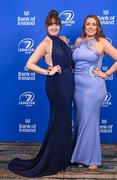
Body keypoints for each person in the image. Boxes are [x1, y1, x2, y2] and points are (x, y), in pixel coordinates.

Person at [8, 10, 74, 177]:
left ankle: (63, 158)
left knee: (65, 120)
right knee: (57, 120)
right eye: (50, 24)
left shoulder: (63, 40)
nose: (54, 27)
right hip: (57, 85)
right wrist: (47, 72)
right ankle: (52, 160)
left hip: (68, 83)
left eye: (56, 24)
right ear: (46, 26)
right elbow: (29, 64)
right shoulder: (45, 42)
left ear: (60, 25)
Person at [71, 15, 117, 170]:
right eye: (88, 24)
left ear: (98, 27)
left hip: (93, 87)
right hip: (77, 87)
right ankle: (80, 157)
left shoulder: (102, 42)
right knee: (81, 120)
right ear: (84, 26)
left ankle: (92, 159)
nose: (90, 27)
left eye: (93, 24)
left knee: (90, 122)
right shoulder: (78, 41)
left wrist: (106, 73)